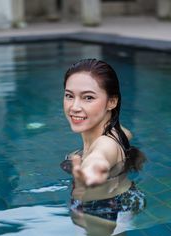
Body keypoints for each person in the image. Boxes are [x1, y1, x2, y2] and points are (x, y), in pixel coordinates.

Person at [61, 58, 146, 225]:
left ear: (112, 102)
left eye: (88, 98)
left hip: (105, 209)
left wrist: (93, 169)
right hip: (115, 204)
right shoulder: (118, 132)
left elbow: (100, 156)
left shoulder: (105, 144)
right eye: (69, 96)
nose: (75, 107)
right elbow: (126, 135)